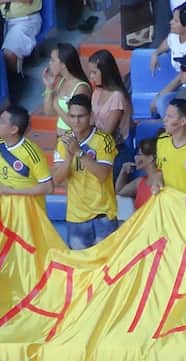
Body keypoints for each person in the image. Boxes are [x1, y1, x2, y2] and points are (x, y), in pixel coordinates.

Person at [52, 96, 118, 250]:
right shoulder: (63, 141)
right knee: (79, 267)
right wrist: (68, 158)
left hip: (103, 215)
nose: (76, 121)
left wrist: (79, 152)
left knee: (106, 266)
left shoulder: (104, 140)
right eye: (72, 116)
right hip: (76, 216)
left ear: (91, 116)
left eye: (81, 116)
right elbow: (57, 179)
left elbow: (102, 175)